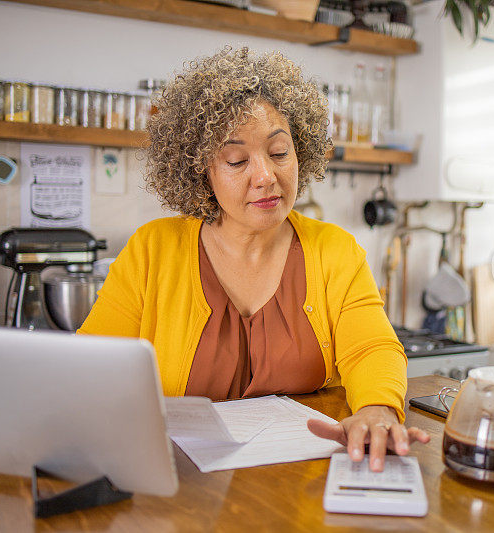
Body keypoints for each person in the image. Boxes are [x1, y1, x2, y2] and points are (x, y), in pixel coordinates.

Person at [79, 47, 429, 471]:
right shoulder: (152, 250)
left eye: (280, 153)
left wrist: (378, 409)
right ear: (200, 170)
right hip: (183, 488)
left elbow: (371, 348)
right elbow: (91, 369)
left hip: (302, 484)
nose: (265, 176)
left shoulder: (335, 250)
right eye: (236, 160)